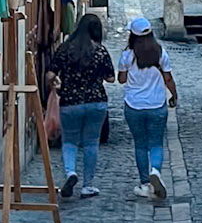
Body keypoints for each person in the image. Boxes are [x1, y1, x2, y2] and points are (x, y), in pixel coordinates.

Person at [45, 13, 115, 200]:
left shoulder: (65, 48)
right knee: (91, 142)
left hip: (71, 102)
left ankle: (70, 173)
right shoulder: (100, 50)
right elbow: (111, 77)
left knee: (69, 141)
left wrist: (57, 84)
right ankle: (88, 185)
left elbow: (50, 75)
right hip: (96, 102)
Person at [119, 15, 177, 203]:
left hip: (134, 106)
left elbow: (121, 79)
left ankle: (145, 183)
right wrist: (174, 95)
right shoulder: (160, 53)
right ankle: (156, 172)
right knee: (156, 143)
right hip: (156, 105)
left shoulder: (127, 55)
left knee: (140, 144)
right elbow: (168, 78)